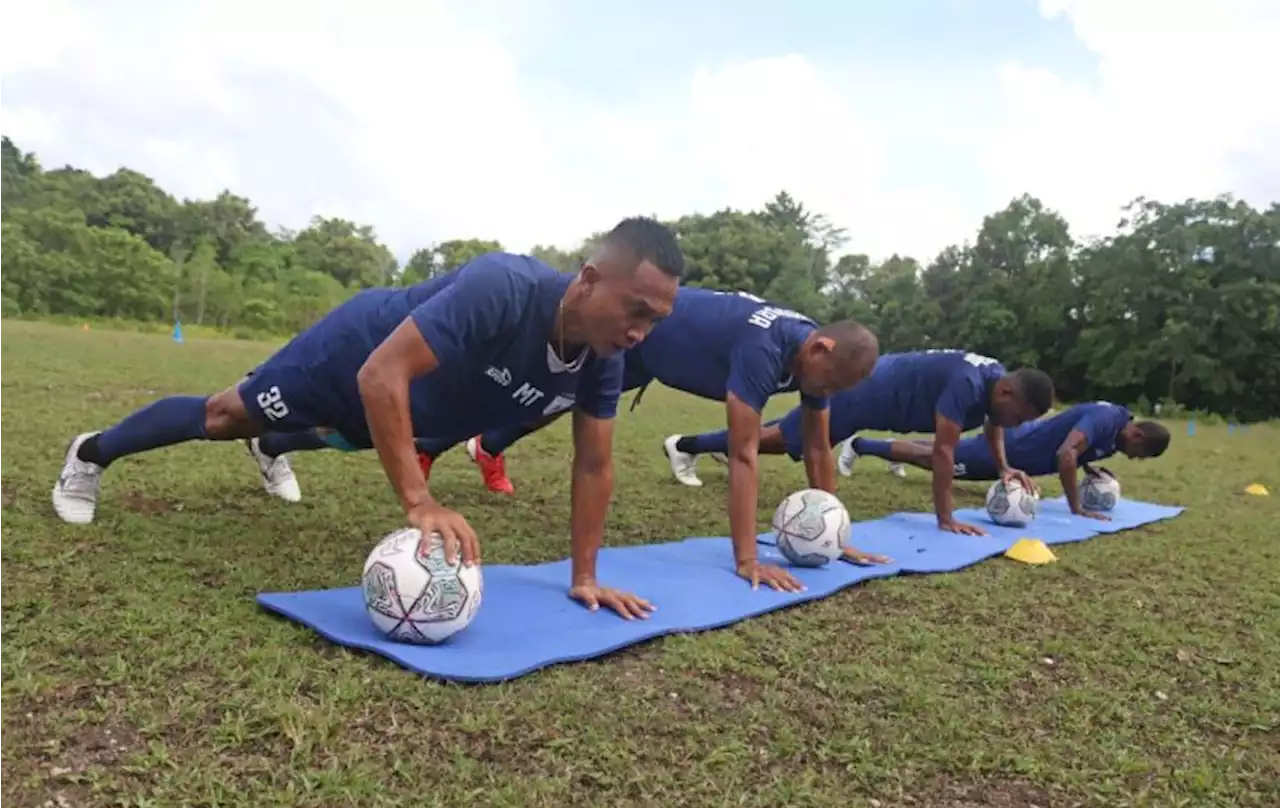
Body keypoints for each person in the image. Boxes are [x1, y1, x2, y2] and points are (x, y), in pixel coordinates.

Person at [51, 217, 683, 620]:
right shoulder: (505, 288)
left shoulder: (604, 356)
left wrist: (586, 577)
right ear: (589, 280)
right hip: (354, 354)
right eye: (635, 310)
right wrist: (419, 500)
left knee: (347, 436)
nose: (640, 332)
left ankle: (274, 448)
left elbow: (595, 465)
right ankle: (90, 454)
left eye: (655, 320)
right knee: (223, 417)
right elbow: (381, 375)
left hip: (420, 403)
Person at [414, 288, 884, 591]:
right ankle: (433, 442)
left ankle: (488, 446)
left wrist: (836, 531)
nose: (825, 394)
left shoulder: (817, 363)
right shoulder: (766, 349)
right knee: (539, 396)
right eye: (828, 384)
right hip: (639, 338)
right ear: (820, 348)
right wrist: (746, 560)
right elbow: (742, 454)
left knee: (558, 404)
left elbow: (818, 447)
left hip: (657, 357)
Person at [682, 349, 1056, 536]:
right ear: (1007, 391)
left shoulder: (996, 385)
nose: (1016, 425)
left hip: (873, 396)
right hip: (861, 396)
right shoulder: (970, 384)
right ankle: (686, 445)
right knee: (782, 439)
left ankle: (696, 445)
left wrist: (1004, 466)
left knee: (783, 435)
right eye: (1019, 417)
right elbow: (943, 452)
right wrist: (946, 519)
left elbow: (994, 425)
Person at [843, 401, 1171, 519]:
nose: (1134, 459)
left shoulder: (1115, 435)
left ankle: (886, 449)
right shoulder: (1107, 417)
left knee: (937, 453)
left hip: (1019, 455)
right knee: (935, 458)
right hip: (1008, 449)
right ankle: (860, 444)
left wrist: (1089, 468)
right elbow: (1066, 453)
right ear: (1139, 436)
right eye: (1140, 455)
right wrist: (1076, 507)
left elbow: (1079, 447)